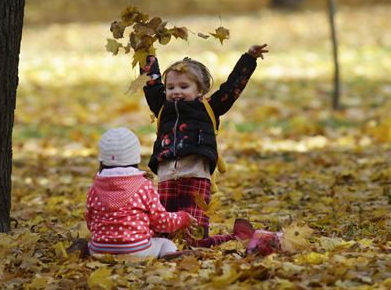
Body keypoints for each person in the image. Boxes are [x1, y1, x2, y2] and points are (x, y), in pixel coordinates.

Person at [140, 44, 268, 247]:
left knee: (195, 236)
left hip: (196, 175)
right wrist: (146, 52)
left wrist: (249, 59)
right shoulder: (162, 107)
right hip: (166, 176)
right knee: (165, 233)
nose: (176, 92)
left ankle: (238, 238)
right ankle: (169, 253)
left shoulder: (209, 106)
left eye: (184, 87)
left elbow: (232, 88)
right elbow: (152, 82)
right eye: (171, 87)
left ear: (200, 89)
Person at [83, 127, 199, 258]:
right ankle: (169, 254)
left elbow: (90, 221)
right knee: (164, 243)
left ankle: (87, 249)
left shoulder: (95, 188)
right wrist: (183, 218)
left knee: (90, 244)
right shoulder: (143, 186)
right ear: (135, 158)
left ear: (102, 160)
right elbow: (161, 222)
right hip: (137, 249)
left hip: (99, 250)